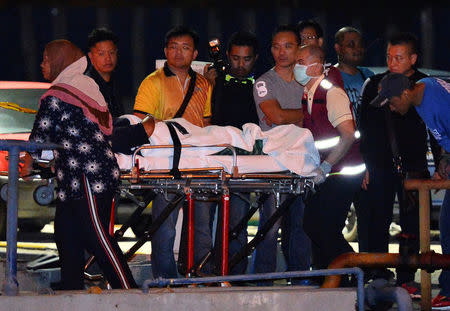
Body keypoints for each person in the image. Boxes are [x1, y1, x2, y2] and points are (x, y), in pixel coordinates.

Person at [24, 39, 137, 290]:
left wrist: (28, 163)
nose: (42, 64)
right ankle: (71, 285)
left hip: (87, 174)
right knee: (66, 233)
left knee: (96, 235)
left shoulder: (56, 95)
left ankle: (127, 289)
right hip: (77, 174)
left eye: (45, 58)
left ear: (59, 61)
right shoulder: (86, 85)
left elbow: (40, 137)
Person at [359, 32, 440, 294]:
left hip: (414, 165)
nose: (392, 62)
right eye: (389, 57)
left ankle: (407, 276)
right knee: (377, 220)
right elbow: (364, 128)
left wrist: (440, 166)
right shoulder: (374, 84)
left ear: (413, 58)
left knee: (413, 224)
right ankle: (377, 274)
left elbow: (436, 129)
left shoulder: (424, 85)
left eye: (399, 57)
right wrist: (365, 164)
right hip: (379, 165)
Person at [133, 26, 213, 278]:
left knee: (202, 225)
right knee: (164, 226)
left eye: (185, 47)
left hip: (198, 163)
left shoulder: (203, 83)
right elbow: (140, 122)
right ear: (166, 50)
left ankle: (201, 276)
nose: (179, 53)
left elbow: (207, 124)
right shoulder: (152, 82)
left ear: (195, 53)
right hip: (167, 162)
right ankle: (163, 278)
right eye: (174, 47)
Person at [368, 72, 449, 309]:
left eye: (392, 102)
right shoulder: (424, 90)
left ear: (405, 93)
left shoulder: (434, 102)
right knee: (446, 226)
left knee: (448, 226)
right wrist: (445, 158)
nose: (392, 109)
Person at [296, 45, 364, 284]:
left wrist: (325, 166)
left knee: (319, 227)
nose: (296, 66)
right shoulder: (309, 93)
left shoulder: (330, 92)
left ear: (315, 66)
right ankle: (336, 279)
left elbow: (347, 134)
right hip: (330, 171)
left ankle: (355, 273)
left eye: (300, 61)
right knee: (317, 227)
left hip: (342, 172)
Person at [252, 24, 311, 280]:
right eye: (276, 46)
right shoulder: (264, 82)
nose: (281, 52)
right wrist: (309, 116)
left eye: (288, 46)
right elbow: (274, 115)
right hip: (273, 163)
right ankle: (262, 279)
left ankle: (299, 278)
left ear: (299, 48)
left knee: (301, 226)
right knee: (269, 224)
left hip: (305, 163)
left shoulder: (309, 81)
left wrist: (297, 118)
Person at [203, 30, 259, 274]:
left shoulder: (259, 86)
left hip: (243, 163)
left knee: (237, 223)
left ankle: (235, 274)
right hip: (212, 158)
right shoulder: (215, 82)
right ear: (227, 56)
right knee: (203, 221)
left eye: (246, 59)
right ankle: (202, 271)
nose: (240, 64)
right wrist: (212, 82)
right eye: (235, 58)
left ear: (255, 58)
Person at [333, 26, 374, 252]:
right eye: (351, 44)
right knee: (334, 220)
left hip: (367, 156)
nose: (357, 49)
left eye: (360, 44)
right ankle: (336, 268)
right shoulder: (330, 77)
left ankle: (371, 269)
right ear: (337, 48)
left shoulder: (368, 77)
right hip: (341, 158)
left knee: (370, 218)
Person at [85, 27, 124, 119]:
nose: (108, 58)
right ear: (90, 56)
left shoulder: (116, 81)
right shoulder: (86, 85)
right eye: (101, 54)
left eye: (111, 52)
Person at [297, 19, 343, 87]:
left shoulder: (332, 73)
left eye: (309, 37)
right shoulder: (294, 71)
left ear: (320, 41)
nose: (304, 42)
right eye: (300, 38)